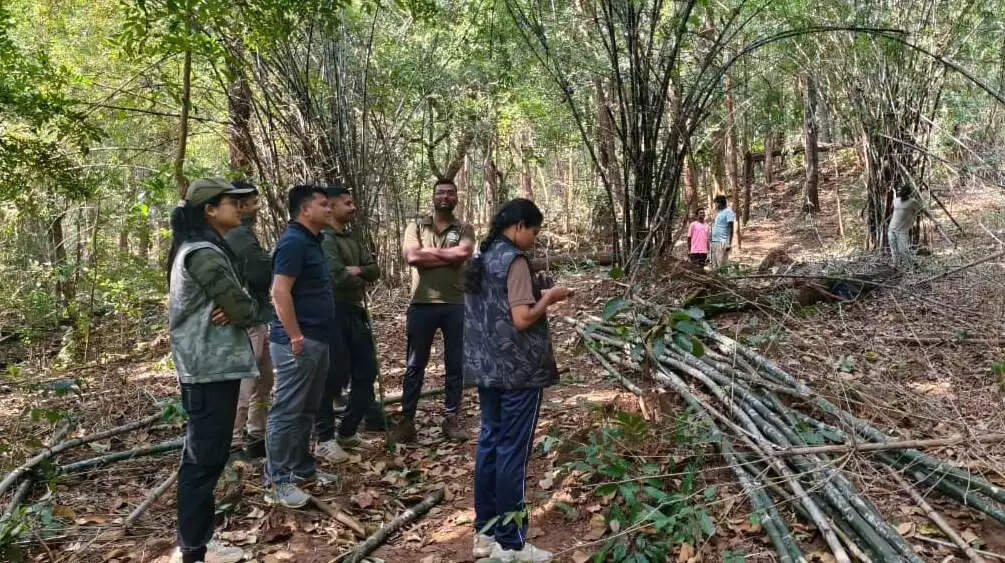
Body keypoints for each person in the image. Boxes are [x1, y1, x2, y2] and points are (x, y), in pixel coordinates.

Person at [464, 199, 571, 562]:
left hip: (488, 369)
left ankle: (485, 534)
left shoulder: (484, 256)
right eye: (535, 232)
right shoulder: (514, 260)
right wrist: (551, 298)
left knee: (490, 444)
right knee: (513, 450)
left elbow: (498, 311)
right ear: (520, 226)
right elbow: (523, 318)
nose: (534, 240)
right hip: (520, 371)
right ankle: (512, 544)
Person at [166, 177, 258, 563]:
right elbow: (243, 309)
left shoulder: (205, 247)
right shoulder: (203, 252)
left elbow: (237, 305)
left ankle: (197, 543)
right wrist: (243, 307)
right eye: (231, 202)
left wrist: (239, 306)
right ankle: (194, 550)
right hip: (208, 369)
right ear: (209, 210)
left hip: (210, 368)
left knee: (207, 458)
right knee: (203, 463)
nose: (239, 208)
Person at [264, 184, 336, 508]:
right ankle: (276, 481)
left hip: (317, 338)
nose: (329, 208)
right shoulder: (293, 242)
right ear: (305, 209)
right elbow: (280, 292)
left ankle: (302, 470)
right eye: (323, 204)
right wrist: (295, 336)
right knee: (287, 411)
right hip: (297, 341)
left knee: (307, 410)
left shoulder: (312, 241)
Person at [393, 179, 475, 444]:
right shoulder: (415, 226)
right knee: (415, 364)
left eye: (450, 193)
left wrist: (431, 256)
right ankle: (407, 420)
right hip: (422, 304)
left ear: (456, 198)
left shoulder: (464, 228)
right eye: (441, 192)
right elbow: (412, 257)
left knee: (455, 363)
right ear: (433, 196)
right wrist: (446, 256)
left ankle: (451, 418)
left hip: (455, 303)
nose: (445, 196)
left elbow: (462, 254)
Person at [314, 183, 385, 463]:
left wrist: (357, 270)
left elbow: (374, 269)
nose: (353, 207)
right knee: (334, 375)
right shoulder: (324, 239)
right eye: (347, 202)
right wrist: (358, 273)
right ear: (330, 207)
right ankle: (325, 438)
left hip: (355, 310)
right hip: (333, 311)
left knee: (366, 371)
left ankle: (348, 430)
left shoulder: (352, 239)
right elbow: (335, 276)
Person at [224, 181, 274, 460]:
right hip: (247, 320)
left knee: (264, 379)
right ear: (241, 206)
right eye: (254, 203)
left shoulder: (242, 234)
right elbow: (260, 273)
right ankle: (233, 444)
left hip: (258, 316)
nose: (258, 207)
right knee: (246, 381)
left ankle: (256, 435)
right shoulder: (239, 236)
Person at [888, 188, 924, 270]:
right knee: (894, 249)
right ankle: (896, 265)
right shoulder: (895, 200)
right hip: (891, 228)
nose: (901, 194)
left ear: (908, 194)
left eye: (903, 193)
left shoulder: (913, 202)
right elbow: (892, 210)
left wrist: (912, 218)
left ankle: (912, 266)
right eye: (900, 192)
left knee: (903, 250)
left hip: (903, 230)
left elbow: (920, 211)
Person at [710, 195, 735, 268]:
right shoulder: (719, 213)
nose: (715, 205)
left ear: (720, 203)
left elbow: (731, 228)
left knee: (722, 266)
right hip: (714, 241)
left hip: (722, 242)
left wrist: (729, 243)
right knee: (714, 265)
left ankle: (723, 279)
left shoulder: (728, 211)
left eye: (716, 203)